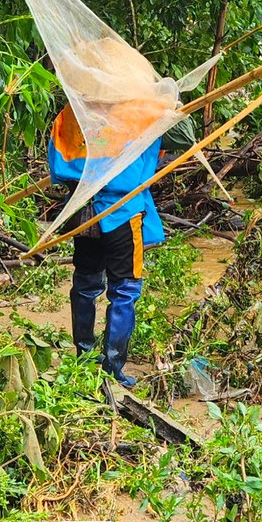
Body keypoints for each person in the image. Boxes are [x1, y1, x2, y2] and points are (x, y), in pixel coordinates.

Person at [47, 99, 194, 388]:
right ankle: (112, 369)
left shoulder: (72, 112)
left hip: (83, 210)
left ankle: (84, 358)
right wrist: (168, 101)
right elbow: (185, 135)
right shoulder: (140, 112)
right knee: (125, 289)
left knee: (85, 284)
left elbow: (57, 162)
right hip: (122, 212)